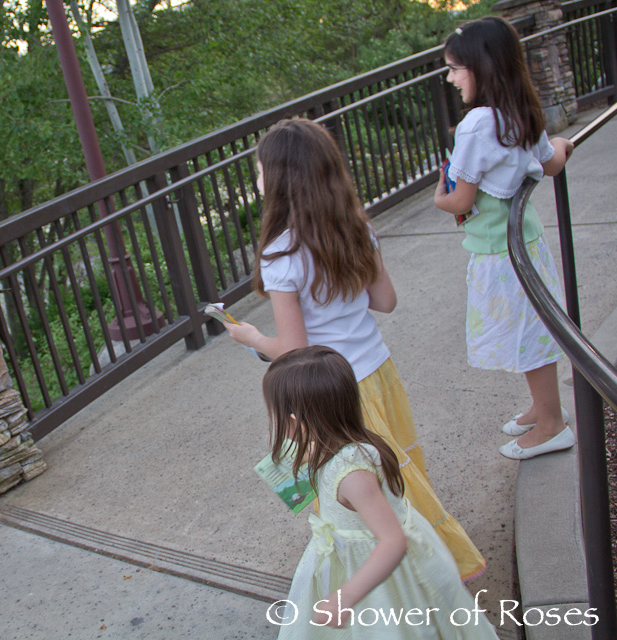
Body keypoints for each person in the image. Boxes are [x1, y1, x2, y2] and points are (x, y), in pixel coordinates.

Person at [226, 117, 485, 581]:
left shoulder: (281, 254)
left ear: (281, 179)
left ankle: (420, 573)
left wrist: (252, 338)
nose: (257, 178)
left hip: (333, 390)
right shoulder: (357, 228)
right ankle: (422, 562)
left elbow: (292, 349)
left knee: (357, 488)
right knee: (398, 473)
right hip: (379, 371)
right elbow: (385, 301)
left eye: (260, 170)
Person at [264, 347, 499, 639]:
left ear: (295, 421)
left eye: (274, 415)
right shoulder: (333, 443)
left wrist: (346, 596)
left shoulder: (352, 476)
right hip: (355, 557)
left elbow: (392, 541)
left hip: (381, 574)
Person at [434, 17, 575, 460]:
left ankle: (551, 426)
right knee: (532, 328)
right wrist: (563, 143)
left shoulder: (477, 124)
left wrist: (439, 196)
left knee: (524, 333)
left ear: (482, 67)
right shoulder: (522, 110)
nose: (451, 78)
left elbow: (461, 200)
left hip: (501, 252)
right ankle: (544, 407)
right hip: (527, 243)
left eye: (455, 69)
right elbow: (550, 164)